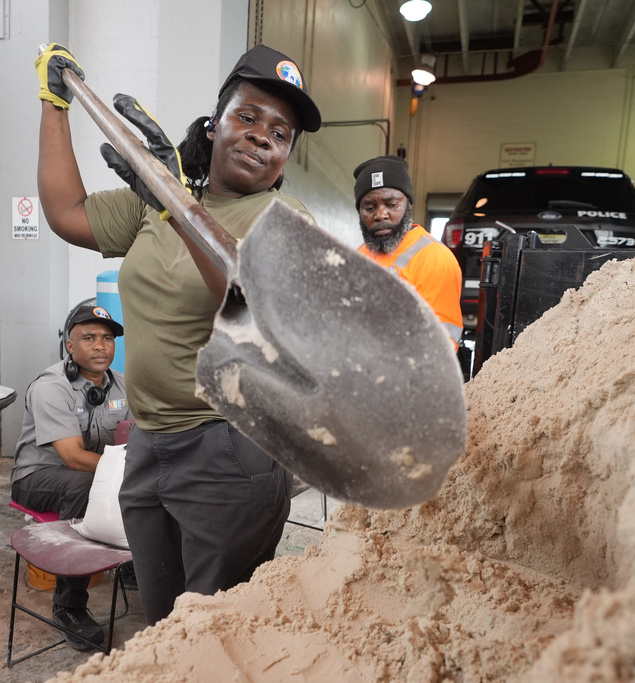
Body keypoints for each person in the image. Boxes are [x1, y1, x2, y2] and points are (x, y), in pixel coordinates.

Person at [35, 42, 322, 626]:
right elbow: (67, 212)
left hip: (232, 450)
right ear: (215, 125)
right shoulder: (158, 198)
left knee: (216, 630)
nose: (263, 135)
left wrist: (175, 209)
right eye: (248, 116)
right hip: (147, 442)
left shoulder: (285, 220)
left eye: (281, 133)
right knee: (163, 621)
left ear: (285, 158)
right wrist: (54, 104)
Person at [11, 302, 133, 651]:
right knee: (85, 484)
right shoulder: (51, 387)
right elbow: (73, 459)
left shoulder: (123, 387)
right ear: (70, 345)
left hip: (94, 476)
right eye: (89, 337)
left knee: (156, 475)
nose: (100, 345)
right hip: (38, 476)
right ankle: (69, 607)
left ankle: (135, 566)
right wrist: (129, 469)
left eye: (107, 338)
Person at [353, 155, 464, 348]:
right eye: (369, 207)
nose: (380, 215)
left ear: (408, 204)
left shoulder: (435, 259)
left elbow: (441, 344)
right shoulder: (358, 255)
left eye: (392, 205)